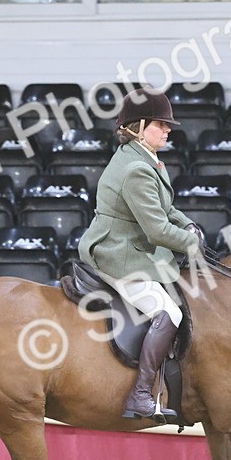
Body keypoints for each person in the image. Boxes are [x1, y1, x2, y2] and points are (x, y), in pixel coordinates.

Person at [78, 87, 206, 422]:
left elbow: (167, 209)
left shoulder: (143, 158)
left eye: (167, 125)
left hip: (130, 244)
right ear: (137, 126)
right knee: (169, 313)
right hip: (118, 253)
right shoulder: (137, 168)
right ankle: (141, 394)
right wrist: (192, 244)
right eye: (161, 124)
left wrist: (190, 226)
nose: (167, 130)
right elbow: (157, 231)